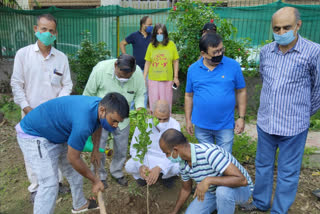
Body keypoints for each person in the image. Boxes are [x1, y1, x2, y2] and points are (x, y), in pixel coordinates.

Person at [241, 7, 320, 213]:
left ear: (298, 26)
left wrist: (302, 113)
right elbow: (266, 81)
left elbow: (318, 88)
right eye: (277, 28)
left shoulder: (313, 52)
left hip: (294, 127)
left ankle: (279, 210)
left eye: (287, 27)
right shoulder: (266, 52)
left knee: (288, 173)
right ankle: (260, 203)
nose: (281, 32)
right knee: (263, 167)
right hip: (266, 123)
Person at [15, 92, 129, 214]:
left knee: (75, 172)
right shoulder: (83, 123)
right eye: (114, 120)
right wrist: (95, 181)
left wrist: (96, 149)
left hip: (56, 131)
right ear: (102, 110)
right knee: (49, 184)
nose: (115, 125)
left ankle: (80, 204)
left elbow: (99, 124)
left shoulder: (100, 106)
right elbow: (73, 158)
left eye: (118, 122)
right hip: (34, 135)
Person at [10, 13, 73, 203]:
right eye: (43, 29)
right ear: (36, 29)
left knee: (56, 147)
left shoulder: (61, 58)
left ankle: (57, 182)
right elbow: (16, 84)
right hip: (31, 113)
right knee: (34, 152)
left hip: (55, 116)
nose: (47, 33)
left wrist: (57, 107)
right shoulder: (23, 54)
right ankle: (36, 187)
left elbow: (67, 85)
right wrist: (27, 108)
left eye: (51, 31)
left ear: (56, 34)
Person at [83, 54, 146, 187]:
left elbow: (140, 94)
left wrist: (140, 107)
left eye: (128, 77)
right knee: (99, 147)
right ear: (115, 66)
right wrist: (90, 117)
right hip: (102, 118)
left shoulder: (137, 73)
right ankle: (99, 175)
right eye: (122, 75)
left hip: (124, 119)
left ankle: (117, 172)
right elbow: (88, 95)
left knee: (121, 148)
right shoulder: (100, 70)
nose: (124, 79)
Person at [159, 129, 253, 214]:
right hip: (213, 191)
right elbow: (185, 189)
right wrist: (174, 211)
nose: (167, 157)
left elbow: (242, 180)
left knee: (222, 192)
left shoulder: (209, 153)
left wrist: (209, 180)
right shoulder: (183, 163)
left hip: (240, 189)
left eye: (167, 153)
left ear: (175, 150)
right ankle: (220, 204)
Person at [185, 33, 247, 153]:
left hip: (225, 125)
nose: (219, 54)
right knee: (207, 159)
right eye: (215, 52)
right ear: (203, 53)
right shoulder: (193, 69)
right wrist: (188, 120)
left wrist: (241, 117)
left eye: (221, 50)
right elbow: (188, 95)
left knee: (224, 161)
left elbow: (241, 91)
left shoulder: (233, 66)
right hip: (201, 126)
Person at [125, 100, 180, 187]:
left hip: (165, 158)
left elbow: (175, 152)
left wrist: (159, 167)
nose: (161, 123)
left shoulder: (175, 125)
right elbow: (134, 149)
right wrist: (141, 165)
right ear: (151, 113)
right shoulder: (143, 124)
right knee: (129, 166)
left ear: (170, 114)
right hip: (147, 158)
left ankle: (166, 177)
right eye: (158, 119)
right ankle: (142, 177)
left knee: (177, 167)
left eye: (165, 119)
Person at [143, 23, 179, 112]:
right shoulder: (151, 45)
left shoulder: (171, 45)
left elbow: (175, 61)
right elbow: (147, 62)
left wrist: (176, 77)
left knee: (166, 105)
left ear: (165, 34)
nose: (159, 35)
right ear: (154, 35)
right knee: (154, 104)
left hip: (167, 80)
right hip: (153, 80)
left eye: (161, 33)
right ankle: (154, 124)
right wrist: (144, 78)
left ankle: (166, 124)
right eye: (157, 34)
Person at [120, 16, 152, 108]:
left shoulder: (152, 37)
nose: (151, 26)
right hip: (136, 70)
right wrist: (125, 57)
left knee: (144, 92)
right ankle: (131, 113)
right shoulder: (134, 36)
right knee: (133, 91)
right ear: (143, 25)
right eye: (149, 24)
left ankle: (141, 113)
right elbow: (122, 43)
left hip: (149, 70)